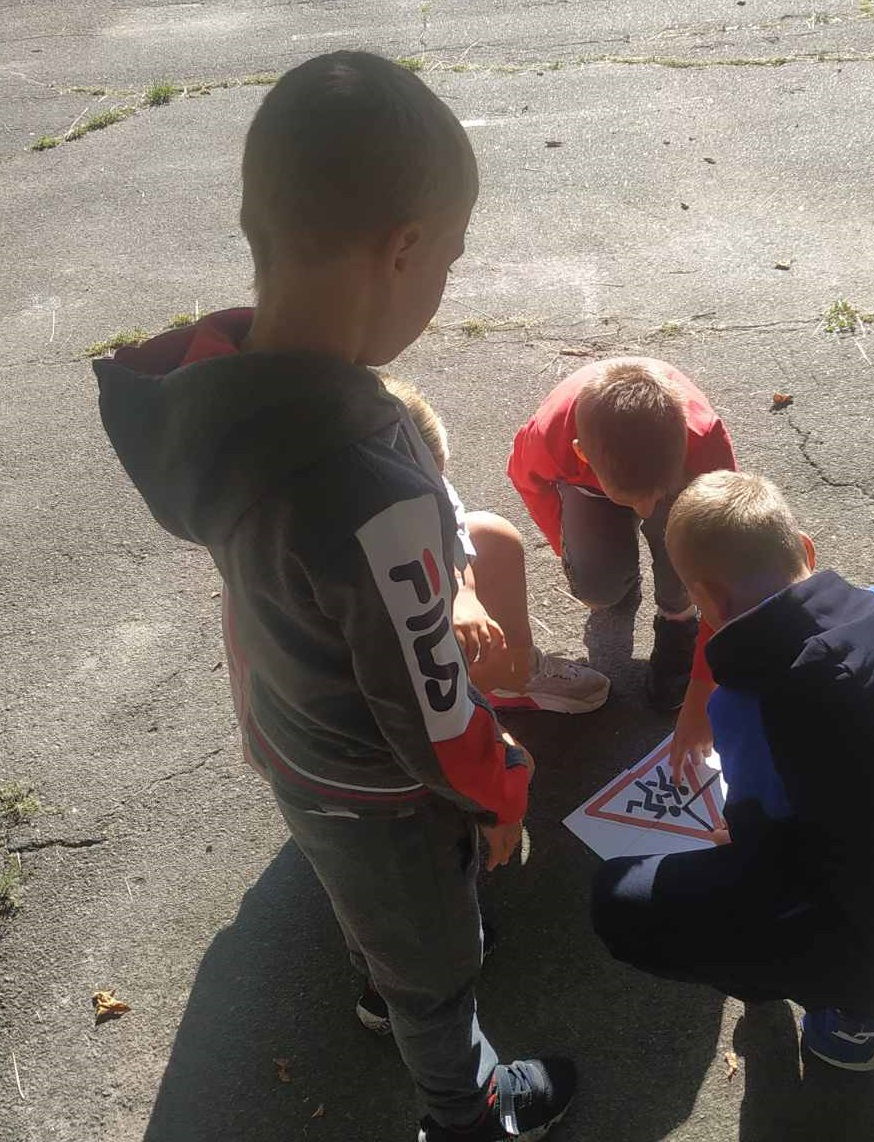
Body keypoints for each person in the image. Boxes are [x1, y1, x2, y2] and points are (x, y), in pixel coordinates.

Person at [95, 51, 575, 1141]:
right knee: (438, 972)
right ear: (403, 250)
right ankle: (464, 1111)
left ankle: (375, 976)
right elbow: (431, 709)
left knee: (369, 907)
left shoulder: (216, 398)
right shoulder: (364, 483)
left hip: (288, 733)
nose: (443, 281)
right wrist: (502, 787)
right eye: (449, 257)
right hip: (382, 788)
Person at [592, 471, 874, 1071]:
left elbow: (759, 850)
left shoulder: (752, 702)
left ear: (707, 599)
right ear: (806, 550)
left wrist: (740, 846)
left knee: (620, 900)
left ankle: (865, 1015)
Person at [507, 357, 736, 712]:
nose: (643, 512)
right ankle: (619, 575)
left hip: (673, 481)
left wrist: (701, 596)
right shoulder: (549, 437)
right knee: (597, 587)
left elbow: (717, 529)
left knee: (682, 538)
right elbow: (530, 484)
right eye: (630, 500)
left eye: (652, 497)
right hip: (587, 486)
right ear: (582, 453)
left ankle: (677, 618)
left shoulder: (703, 436)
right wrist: (567, 547)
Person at [383, 377, 610, 713]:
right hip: (377, 662)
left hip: (413, 580)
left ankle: (514, 677)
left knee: (493, 537)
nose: (436, 489)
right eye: (425, 488)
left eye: (438, 478)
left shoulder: (422, 479)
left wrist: (463, 592)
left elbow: (451, 522)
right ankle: (464, 697)